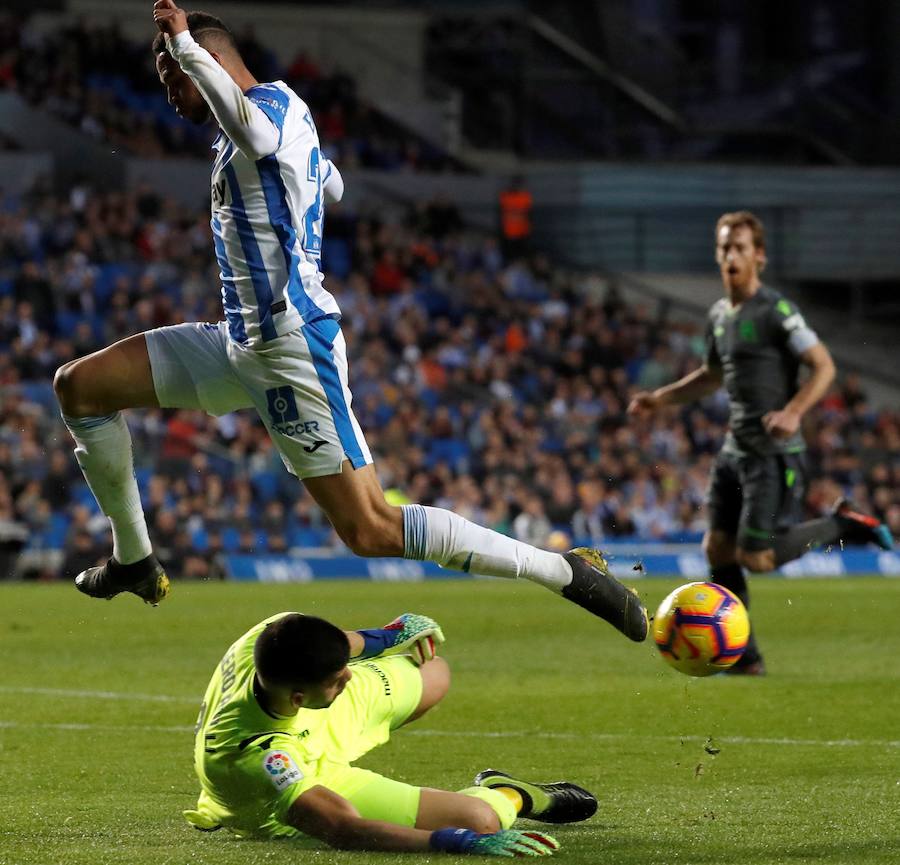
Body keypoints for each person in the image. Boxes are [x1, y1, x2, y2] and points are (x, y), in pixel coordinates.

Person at [51, 2, 648, 644]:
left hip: (289, 347)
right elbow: (329, 183)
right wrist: (313, 177)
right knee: (79, 387)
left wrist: (186, 48)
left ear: (215, 63)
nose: (170, 94)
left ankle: (565, 572)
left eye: (175, 78)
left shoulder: (266, 115)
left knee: (370, 529)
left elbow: (261, 139)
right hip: (236, 343)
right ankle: (134, 558)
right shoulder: (280, 119)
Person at [628, 210, 892, 675]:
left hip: (773, 454)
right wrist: (660, 400)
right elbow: (710, 375)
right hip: (735, 450)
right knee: (717, 550)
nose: (731, 255)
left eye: (740, 247)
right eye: (724, 246)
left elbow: (824, 366)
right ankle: (744, 655)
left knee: (759, 557)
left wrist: (793, 411)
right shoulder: (717, 315)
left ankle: (843, 523)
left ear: (759, 257)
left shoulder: (777, 311)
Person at [184, 610, 596, 854]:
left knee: (434, 672)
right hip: (301, 770)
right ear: (297, 696)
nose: (349, 676)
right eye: (337, 677)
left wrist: (391, 634)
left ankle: (363, 707)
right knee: (481, 820)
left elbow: (337, 645)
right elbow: (341, 828)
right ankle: (513, 793)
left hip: (309, 717)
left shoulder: (275, 635)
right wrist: (447, 841)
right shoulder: (259, 760)